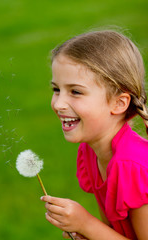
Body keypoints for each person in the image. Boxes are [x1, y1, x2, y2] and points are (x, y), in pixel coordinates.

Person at [41, 29, 148, 240]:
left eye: (76, 92)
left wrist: (87, 224)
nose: (59, 103)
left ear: (118, 103)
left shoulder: (133, 167)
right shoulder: (91, 151)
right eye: (56, 89)